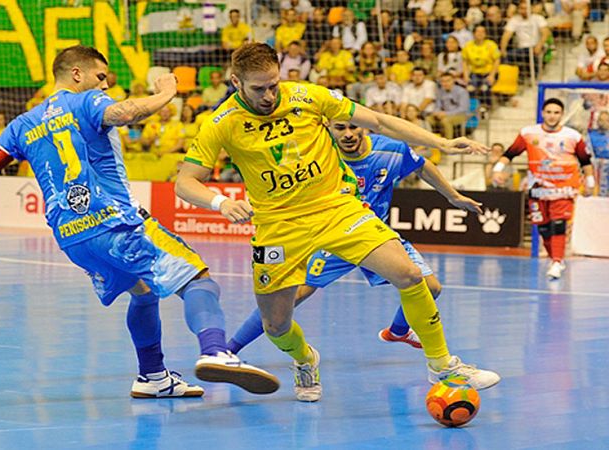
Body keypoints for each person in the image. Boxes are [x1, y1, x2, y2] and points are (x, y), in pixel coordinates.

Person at [176, 43, 500, 403]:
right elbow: (185, 182)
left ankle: (442, 364)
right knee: (276, 325)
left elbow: (378, 121)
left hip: (338, 208)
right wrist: (220, 202)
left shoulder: (308, 96)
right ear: (236, 81)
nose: (269, 95)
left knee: (409, 274)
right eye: (259, 88)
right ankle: (305, 358)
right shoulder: (221, 123)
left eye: (274, 85)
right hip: (278, 226)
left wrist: (440, 142)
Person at [0, 45, 279, 398]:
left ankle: (153, 377)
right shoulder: (84, 101)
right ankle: (217, 351)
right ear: (76, 74)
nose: (104, 86)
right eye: (100, 77)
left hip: (73, 238)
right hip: (116, 223)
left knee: (142, 294)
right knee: (198, 279)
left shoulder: (21, 125)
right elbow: (124, 112)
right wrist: (168, 93)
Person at [228, 121, 483, 354]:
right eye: (341, 128)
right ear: (329, 129)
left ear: (365, 127)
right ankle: (229, 350)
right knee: (290, 299)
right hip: (331, 236)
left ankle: (398, 331)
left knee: (430, 287)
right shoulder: (318, 156)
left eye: (354, 127)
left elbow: (422, 165)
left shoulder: (390, 150)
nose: (349, 134)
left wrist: (454, 196)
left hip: (374, 237)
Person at [492, 98, 594, 280]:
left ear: (561, 115)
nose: (552, 116)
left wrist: (590, 182)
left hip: (564, 188)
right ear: (542, 113)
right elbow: (510, 154)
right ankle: (555, 259)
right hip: (538, 188)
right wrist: (497, 170)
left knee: (558, 224)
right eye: (549, 112)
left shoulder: (573, 136)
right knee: (544, 228)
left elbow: (585, 161)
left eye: (556, 113)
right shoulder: (528, 133)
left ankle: (556, 260)